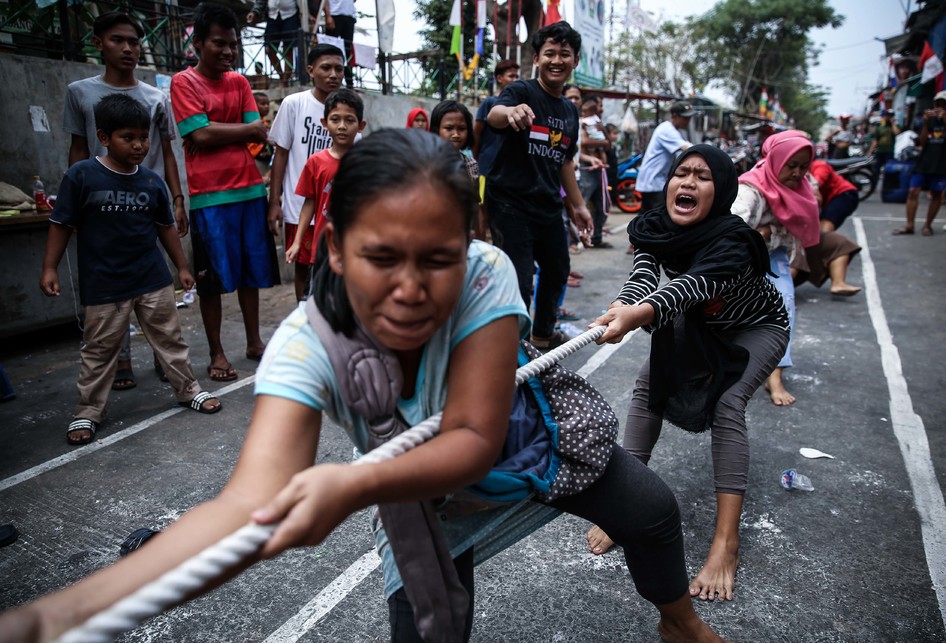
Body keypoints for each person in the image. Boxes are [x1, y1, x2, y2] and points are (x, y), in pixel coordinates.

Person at [0, 128, 726, 643]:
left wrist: (347, 487)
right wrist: (63, 614)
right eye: (381, 256)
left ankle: (679, 620)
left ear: (467, 243)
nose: (412, 288)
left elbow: (475, 436)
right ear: (336, 249)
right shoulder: (306, 344)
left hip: (522, 443)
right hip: (422, 498)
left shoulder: (487, 271)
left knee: (654, 510)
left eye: (438, 258)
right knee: (434, 626)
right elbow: (250, 503)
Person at [584, 144, 789, 605]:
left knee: (727, 403)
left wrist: (639, 315)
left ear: (720, 192)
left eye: (702, 176)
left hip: (755, 329)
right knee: (646, 387)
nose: (688, 182)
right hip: (698, 327)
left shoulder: (733, 240)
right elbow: (644, 276)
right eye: (681, 173)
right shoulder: (654, 226)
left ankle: (726, 543)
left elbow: (690, 287)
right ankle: (626, 508)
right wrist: (626, 305)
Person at [40, 94, 222, 446]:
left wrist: (181, 267)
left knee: (170, 339)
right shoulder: (81, 176)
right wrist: (50, 268)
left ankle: (188, 390)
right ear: (104, 137)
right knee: (99, 350)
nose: (139, 145)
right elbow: (61, 224)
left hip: (152, 278)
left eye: (144, 137)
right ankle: (88, 411)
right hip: (104, 283)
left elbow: (165, 227)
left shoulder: (151, 182)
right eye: (129, 137)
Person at [63, 11, 188, 392]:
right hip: (100, 203)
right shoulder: (80, 92)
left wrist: (177, 197)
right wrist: (78, 200)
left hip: (148, 203)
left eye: (134, 41)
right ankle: (120, 359)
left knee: (156, 283)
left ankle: (164, 358)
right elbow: (78, 148)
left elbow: (168, 152)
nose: (129, 48)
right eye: (118, 40)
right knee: (108, 284)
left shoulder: (155, 97)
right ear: (99, 44)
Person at [170, 2, 280, 383]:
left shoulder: (240, 82)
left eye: (233, 44)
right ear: (198, 43)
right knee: (211, 280)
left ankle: (254, 341)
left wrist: (218, 130)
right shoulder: (183, 82)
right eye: (219, 43)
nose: (229, 51)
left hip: (250, 192)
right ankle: (217, 353)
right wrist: (237, 131)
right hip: (209, 197)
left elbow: (258, 130)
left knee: (251, 273)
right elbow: (198, 134)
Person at [485, 21, 593, 351]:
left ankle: (542, 336)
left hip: (547, 205)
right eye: (549, 53)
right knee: (519, 279)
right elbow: (494, 115)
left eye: (565, 54)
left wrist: (578, 206)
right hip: (509, 202)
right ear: (536, 58)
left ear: (575, 61)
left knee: (558, 269)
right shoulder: (522, 92)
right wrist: (511, 111)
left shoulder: (570, 112)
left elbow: (564, 161)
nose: (556, 60)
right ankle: (512, 349)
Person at [731, 130, 821, 407]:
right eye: (790, 166)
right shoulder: (749, 191)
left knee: (784, 306)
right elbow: (731, 234)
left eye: (803, 166)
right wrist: (764, 232)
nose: (797, 173)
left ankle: (775, 373)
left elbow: (793, 231)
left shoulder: (802, 187)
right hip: (739, 257)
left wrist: (772, 234)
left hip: (774, 255)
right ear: (775, 161)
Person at [268, 44, 346, 301]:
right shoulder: (294, 104)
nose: (334, 74)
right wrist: (274, 202)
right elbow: (281, 154)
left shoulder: (347, 109)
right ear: (311, 70)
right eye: (326, 68)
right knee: (303, 263)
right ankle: (304, 314)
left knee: (339, 264)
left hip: (337, 207)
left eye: (339, 68)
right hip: (299, 205)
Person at [286, 88, 365, 263]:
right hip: (323, 248)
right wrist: (297, 241)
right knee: (322, 290)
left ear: (361, 126)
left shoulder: (366, 163)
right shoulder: (316, 162)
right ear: (324, 122)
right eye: (335, 120)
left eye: (350, 120)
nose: (342, 126)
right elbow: (310, 203)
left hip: (357, 248)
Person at [894, 91, 946, 236]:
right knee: (913, 191)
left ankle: (927, 225)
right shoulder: (929, 120)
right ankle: (910, 225)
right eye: (938, 104)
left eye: (943, 104)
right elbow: (921, 142)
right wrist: (925, 122)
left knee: (936, 194)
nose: (940, 107)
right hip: (924, 162)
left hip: (941, 164)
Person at [634, 101, 694, 214]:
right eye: (685, 118)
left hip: (655, 179)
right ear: (674, 116)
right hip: (653, 180)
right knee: (657, 215)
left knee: (647, 215)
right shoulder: (667, 130)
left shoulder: (674, 130)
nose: (688, 121)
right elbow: (686, 148)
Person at [247, 0, 315, 82]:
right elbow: (260, 1)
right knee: (269, 49)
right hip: (272, 16)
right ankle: (281, 76)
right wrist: (254, 12)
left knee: (288, 50)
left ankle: (285, 80)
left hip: (290, 15)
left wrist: (307, 14)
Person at [472, 58, 520, 169]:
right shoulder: (489, 103)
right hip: (487, 166)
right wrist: (475, 162)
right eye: (511, 76)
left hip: (510, 168)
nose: (515, 80)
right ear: (499, 78)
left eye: (517, 77)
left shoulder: (520, 105)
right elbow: (476, 134)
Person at [579, 94, 612, 248]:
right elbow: (584, 142)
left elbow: (608, 144)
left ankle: (596, 237)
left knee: (602, 205)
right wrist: (603, 141)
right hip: (587, 170)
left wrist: (603, 134)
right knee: (582, 205)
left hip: (600, 171)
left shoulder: (598, 124)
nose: (601, 108)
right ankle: (581, 237)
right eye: (599, 105)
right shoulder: (582, 123)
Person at [430, 99, 478, 180]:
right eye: (449, 128)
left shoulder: (471, 164)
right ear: (436, 129)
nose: (456, 134)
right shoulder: (427, 162)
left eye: (461, 129)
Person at [322, 0, 357, 88]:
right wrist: (328, 16)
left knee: (347, 51)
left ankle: (349, 83)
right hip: (335, 14)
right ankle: (328, 77)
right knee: (330, 50)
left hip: (349, 15)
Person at [248, 91, 274, 185]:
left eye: (268, 104)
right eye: (262, 104)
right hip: (254, 158)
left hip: (265, 158)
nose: (266, 106)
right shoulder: (251, 122)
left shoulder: (264, 122)